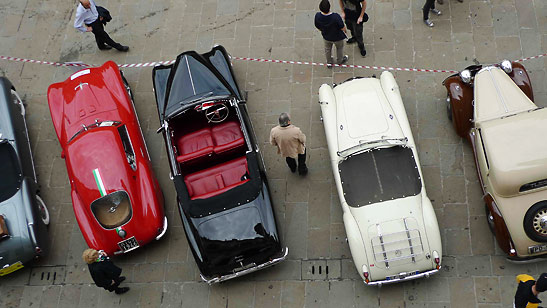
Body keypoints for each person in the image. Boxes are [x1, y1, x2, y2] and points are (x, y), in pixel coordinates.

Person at [314, 0, 348, 67]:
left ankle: (329, 62)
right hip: (337, 37)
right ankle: (340, 60)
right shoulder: (335, 17)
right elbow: (342, 27)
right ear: (329, 7)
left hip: (326, 37)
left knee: (327, 49)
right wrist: (345, 31)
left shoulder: (318, 16)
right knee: (339, 48)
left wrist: (322, 30)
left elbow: (317, 26)